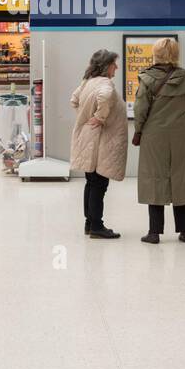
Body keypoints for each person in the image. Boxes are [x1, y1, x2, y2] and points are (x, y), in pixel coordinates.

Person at [133, 36, 185, 244]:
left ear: (156, 54)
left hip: (154, 136)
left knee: (154, 177)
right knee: (181, 177)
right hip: (181, 135)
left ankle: (154, 232)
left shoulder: (147, 79)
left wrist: (139, 131)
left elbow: (140, 110)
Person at [70, 48, 128, 240]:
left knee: (91, 181)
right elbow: (105, 96)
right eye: (114, 64)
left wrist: (85, 115)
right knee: (99, 184)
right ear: (106, 66)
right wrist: (100, 117)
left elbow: (74, 100)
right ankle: (97, 226)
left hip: (88, 137)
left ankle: (89, 223)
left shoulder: (87, 82)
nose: (116, 67)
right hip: (100, 140)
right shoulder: (105, 84)